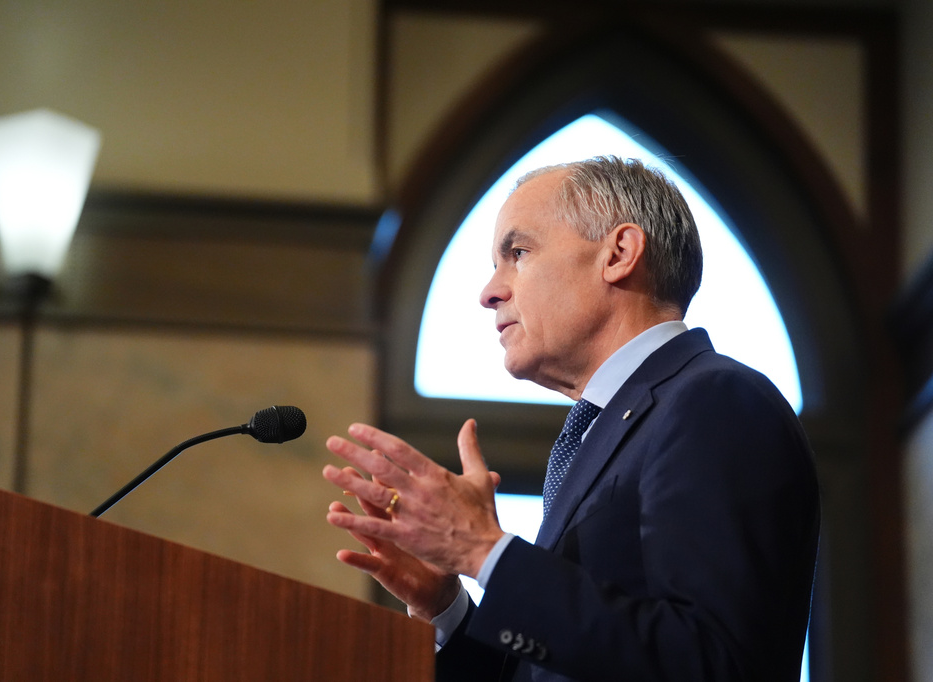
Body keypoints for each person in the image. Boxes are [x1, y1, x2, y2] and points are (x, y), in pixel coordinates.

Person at [322, 156, 820, 681]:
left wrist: (485, 551)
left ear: (619, 254)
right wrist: (448, 609)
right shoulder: (604, 431)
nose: (489, 291)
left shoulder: (715, 401)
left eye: (517, 252)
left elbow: (712, 663)